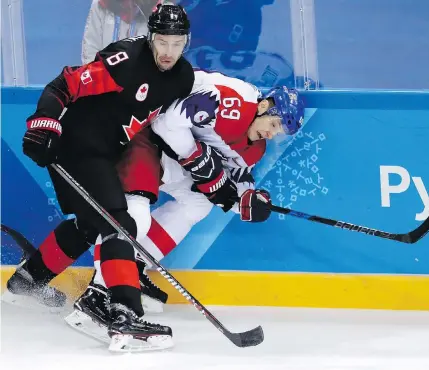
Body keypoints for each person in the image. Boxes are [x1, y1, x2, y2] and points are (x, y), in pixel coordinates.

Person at [3, 3, 194, 352]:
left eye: (176, 43)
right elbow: (66, 83)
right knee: (118, 224)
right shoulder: (127, 60)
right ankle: (123, 312)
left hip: (102, 151)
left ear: (186, 43)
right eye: (162, 41)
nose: (168, 51)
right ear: (151, 37)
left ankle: (27, 282)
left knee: (92, 225)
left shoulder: (183, 78)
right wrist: (44, 122)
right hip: (76, 145)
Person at [65, 69, 305, 344]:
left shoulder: (256, 147)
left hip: (167, 156)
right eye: (274, 125)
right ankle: (97, 296)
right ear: (264, 106)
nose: (272, 134)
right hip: (140, 136)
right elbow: (165, 123)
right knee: (136, 219)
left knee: (198, 203)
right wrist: (195, 156)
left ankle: (133, 268)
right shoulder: (231, 99)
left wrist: (246, 200)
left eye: (279, 132)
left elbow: (228, 177)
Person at [82, 0, 166, 64]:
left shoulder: (162, 10)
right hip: (104, 79)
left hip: (141, 81)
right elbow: (90, 48)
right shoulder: (101, 4)